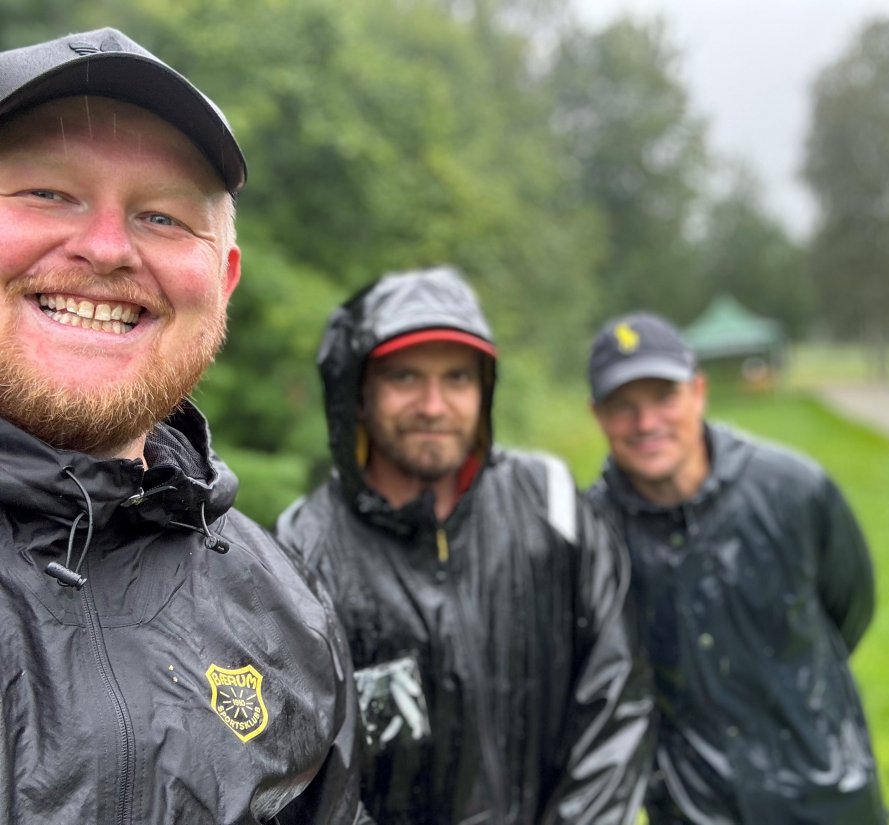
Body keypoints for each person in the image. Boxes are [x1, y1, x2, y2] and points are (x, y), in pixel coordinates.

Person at [0, 28, 367, 824]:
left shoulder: (288, 611)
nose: (105, 247)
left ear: (225, 280)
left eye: (162, 216)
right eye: (45, 193)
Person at [277, 266, 654, 823]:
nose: (434, 405)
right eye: (405, 378)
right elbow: (301, 774)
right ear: (358, 391)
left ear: (484, 390)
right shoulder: (303, 549)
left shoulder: (550, 504)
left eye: (457, 378)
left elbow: (616, 692)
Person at [584, 312, 888, 824]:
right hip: (691, 810)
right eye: (623, 407)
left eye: (664, 397)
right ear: (598, 416)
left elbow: (849, 607)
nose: (646, 423)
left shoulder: (793, 490)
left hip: (827, 795)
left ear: (698, 392)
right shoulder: (592, 535)